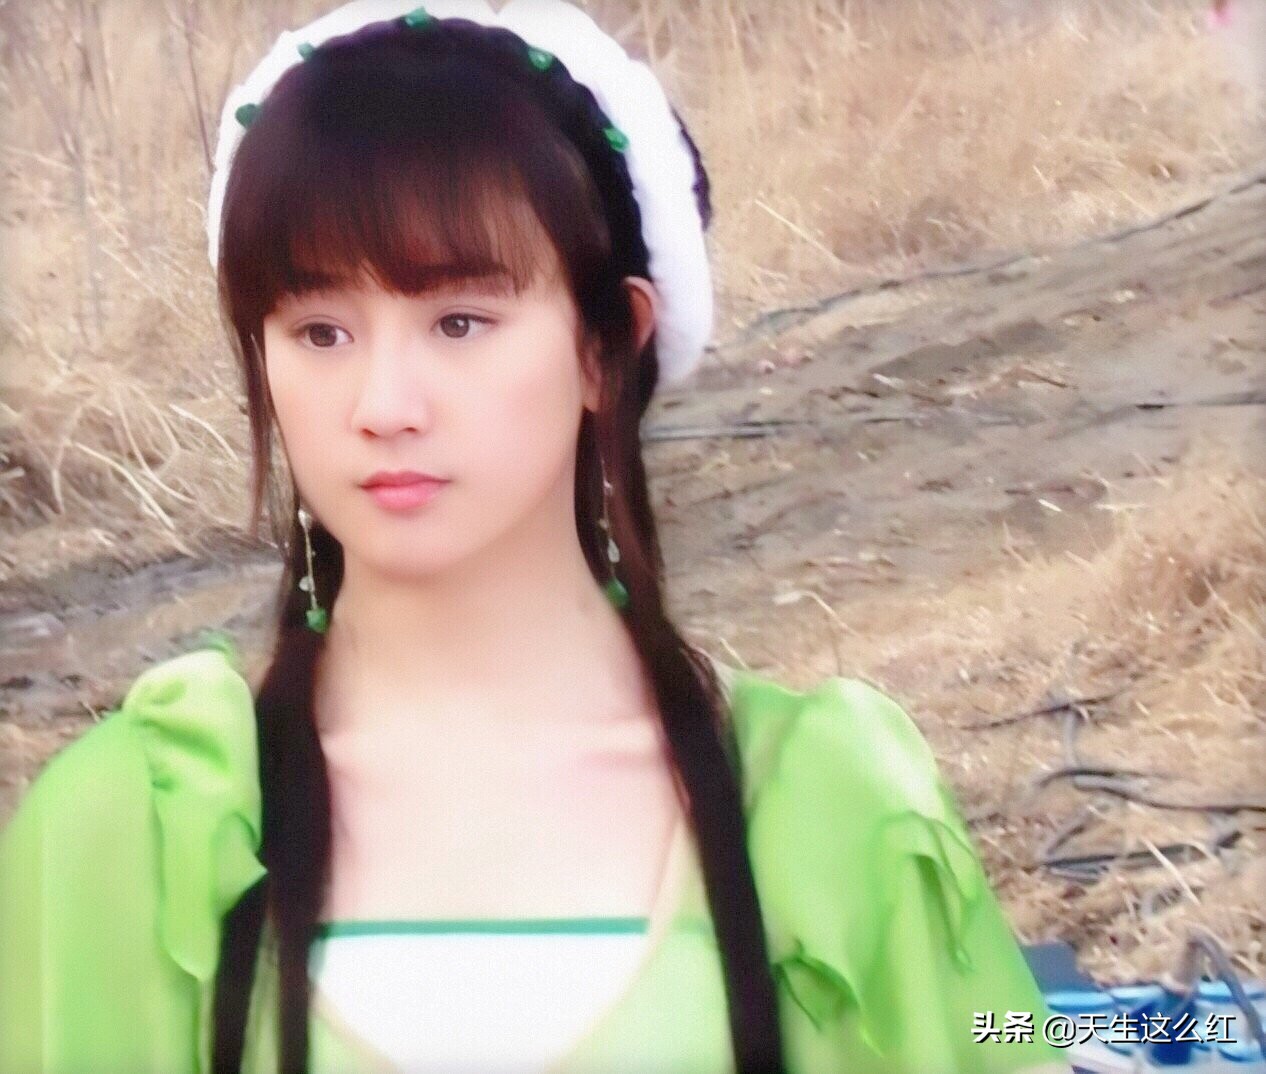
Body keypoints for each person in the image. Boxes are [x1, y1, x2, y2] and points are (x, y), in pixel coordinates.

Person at [0, 2, 1073, 1072]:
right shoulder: (131, 833)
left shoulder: (830, 811)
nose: (383, 404)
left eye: (459, 322)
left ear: (608, 346)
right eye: (320, 331)